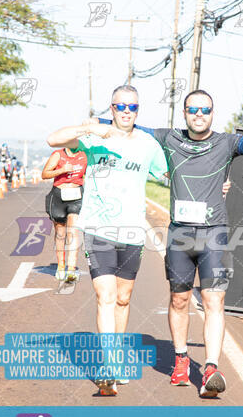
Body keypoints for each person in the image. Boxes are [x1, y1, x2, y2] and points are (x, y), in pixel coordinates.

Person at [93, 87, 243, 398]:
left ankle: (211, 367)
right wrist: (99, 119)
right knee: (179, 301)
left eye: (205, 110)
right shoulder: (169, 138)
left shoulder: (226, 143)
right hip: (180, 236)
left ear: (213, 114)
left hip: (214, 235)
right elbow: (127, 126)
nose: (199, 115)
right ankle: (181, 360)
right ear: (184, 113)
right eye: (193, 110)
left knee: (215, 301)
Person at [46, 85, 168, 395]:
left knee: (124, 299)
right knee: (105, 296)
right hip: (98, 228)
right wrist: (90, 127)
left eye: (132, 107)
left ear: (138, 110)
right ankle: (109, 365)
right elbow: (53, 139)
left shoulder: (147, 144)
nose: (126, 112)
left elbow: (169, 175)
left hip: (131, 231)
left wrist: (213, 186)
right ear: (111, 108)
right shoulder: (95, 137)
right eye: (120, 106)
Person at [42, 146, 87, 284]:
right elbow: (44, 174)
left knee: (73, 232)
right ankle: (61, 266)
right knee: (60, 234)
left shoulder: (85, 155)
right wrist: (62, 170)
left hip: (76, 197)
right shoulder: (58, 155)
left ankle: (71, 269)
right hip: (58, 197)